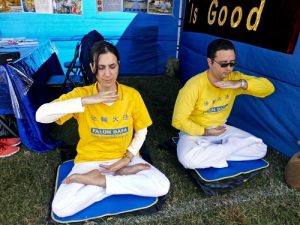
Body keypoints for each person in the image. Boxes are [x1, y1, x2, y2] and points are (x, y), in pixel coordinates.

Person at [36, 41, 170, 217]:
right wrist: (84, 101)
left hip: (124, 160)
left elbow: (142, 131)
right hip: (89, 162)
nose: (107, 74)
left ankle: (102, 181)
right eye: (101, 67)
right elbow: (41, 115)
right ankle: (113, 180)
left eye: (112, 66)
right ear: (92, 67)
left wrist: (127, 157)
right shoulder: (82, 95)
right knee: (61, 208)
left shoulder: (131, 95)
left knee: (162, 185)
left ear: (119, 65)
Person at [172, 38, 275, 169]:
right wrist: (205, 132)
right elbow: (178, 121)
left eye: (232, 63)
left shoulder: (234, 79)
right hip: (195, 133)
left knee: (260, 149)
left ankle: (212, 154)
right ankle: (220, 150)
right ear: (210, 62)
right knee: (188, 160)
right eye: (224, 64)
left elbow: (269, 88)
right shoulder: (193, 86)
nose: (229, 69)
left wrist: (241, 83)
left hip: (221, 129)